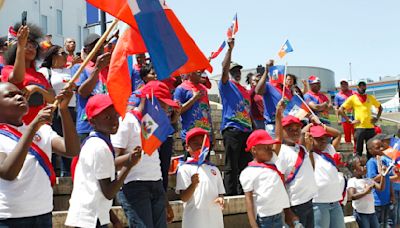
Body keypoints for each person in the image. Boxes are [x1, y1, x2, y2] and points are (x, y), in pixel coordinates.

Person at [0, 82, 80, 228]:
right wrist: (32, 128)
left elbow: (72, 150)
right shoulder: (10, 134)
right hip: (10, 216)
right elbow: (8, 172)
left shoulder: (42, 130)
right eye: (10, 96)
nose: (19, 97)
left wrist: (63, 110)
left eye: (20, 94)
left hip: (43, 212)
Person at [65, 94, 141, 228]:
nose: (114, 121)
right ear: (92, 122)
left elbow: (96, 188)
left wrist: (114, 219)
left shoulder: (94, 143)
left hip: (89, 215)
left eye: (116, 115)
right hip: (91, 219)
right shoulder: (100, 147)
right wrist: (128, 165)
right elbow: (108, 192)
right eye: (107, 117)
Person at [111, 81, 178, 228]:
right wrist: (130, 159)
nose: (165, 110)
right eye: (162, 104)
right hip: (134, 186)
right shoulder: (127, 121)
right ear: (148, 99)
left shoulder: (153, 124)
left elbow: (154, 161)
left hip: (156, 185)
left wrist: (164, 199)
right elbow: (111, 161)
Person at [2, 23, 55, 124]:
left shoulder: (40, 76)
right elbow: (17, 78)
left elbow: (52, 99)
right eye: (26, 44)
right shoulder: (7, 70)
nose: (31, 48)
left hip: (41, 126)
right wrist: (21, 46)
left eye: (33, 46)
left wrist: (36, 88)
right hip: (20, 126)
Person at [219, 38, 253, 195]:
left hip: (246, 130)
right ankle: (231, 194)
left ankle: (242, 193)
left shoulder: (244, 90)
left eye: (238, 70)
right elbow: (224, 69)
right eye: (234, 71)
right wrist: (230, 50)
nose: (237, 73)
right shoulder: (226, 85)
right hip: (232, 129)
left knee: (245, 165)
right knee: (231, 165)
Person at [39, 45, 77, 176]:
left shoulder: (70, 71)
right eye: (63, 53)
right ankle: (53, 171)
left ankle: (68, 173)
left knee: (68, 139)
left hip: (71, 109)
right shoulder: (45, 71)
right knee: (54, 139)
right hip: (54, 109)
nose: (66, 56)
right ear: (54, 56)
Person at [176, 128, 225, 228]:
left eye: (203, 143)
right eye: (195, 143)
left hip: (214, 219)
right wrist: (193, 184)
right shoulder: (184, 168)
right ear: (187, 147)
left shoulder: (214, 169)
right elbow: (184, 198)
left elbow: (220, 192)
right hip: (194, 221)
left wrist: (221, 198)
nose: (199, 146)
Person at [276, 115, 318, 228]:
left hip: (309, 200)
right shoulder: (282, 153)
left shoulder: (302, 149)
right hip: (295, 204)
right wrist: (287, 211)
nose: (295, 132)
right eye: (290, 130)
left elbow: (312, 168)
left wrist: (310, 151)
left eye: (297, 129)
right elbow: (280, 183)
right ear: (282, 131)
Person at [302, 124, 345, 228]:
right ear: (311, 139)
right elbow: (302, 134)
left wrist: (321, 125)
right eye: (319, 138)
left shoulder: (329, 149)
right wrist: (310, 125)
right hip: (319, 202)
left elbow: (338, 134)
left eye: (325, 138)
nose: (323, 141)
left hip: (335, 201)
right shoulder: (306, 153)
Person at [72, 33, 110, 140]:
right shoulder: (79, 68)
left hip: (106, 124)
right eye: (95, 45)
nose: (99, 48)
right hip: (87, 125)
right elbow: (82, 92)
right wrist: (97, 69)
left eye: (101, 45)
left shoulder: (107, 69)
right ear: (87, 49)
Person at [339, 81, 383, 158]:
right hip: (359, 128)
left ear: (366, 87)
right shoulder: (352, 98)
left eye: (364, 85)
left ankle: (370, 166)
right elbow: (341, 109)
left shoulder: (370, 97)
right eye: (360, 86)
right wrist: (349, 120)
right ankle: (358, 168)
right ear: (357, 87)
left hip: (370, 128)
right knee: (358, 151)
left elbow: (380, 107)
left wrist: (377, 118)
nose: (362, 87)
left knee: (371, 150)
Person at [173, 70, 214, 147]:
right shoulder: (181, 89)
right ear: (190, 72)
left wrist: (212, 135)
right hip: (190, 136)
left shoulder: (204, 89)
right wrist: (194, 98)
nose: (200, 74)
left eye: (201, 72)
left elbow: (207, 113)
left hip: (205, 136)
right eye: (198, 72)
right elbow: (177, 111)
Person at [255, 60, 293, 137]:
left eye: (282, 74)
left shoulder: (287, 90)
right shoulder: (268, 86)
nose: (280, 76)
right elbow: (258, 91)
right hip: (273, 126)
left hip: (287, 127)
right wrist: (266, 71)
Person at [347, 156, 385, 228]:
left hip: (372, 212)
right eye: (361, 165)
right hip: (361, 213)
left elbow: (381, 188)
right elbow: (351, 196)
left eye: (365, 165)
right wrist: (365, 192)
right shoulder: (352, 181)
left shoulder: (368, 179)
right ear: (354, 170)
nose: (365, 167)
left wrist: (383, 175)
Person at [366, 138, 392, 227]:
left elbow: (389, 179)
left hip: (386, 199)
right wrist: (383, 173)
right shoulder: (371, 162)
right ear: (370, 150)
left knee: (385, 223)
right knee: (378, 224)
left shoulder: (384, 160)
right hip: (377, 201)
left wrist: (391, 194)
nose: (381, 149)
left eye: (381, 146)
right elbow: (372, 179)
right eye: (378, 147)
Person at [334, 79, 355, 146]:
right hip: (344, 118)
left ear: (347, 85)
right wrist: (338, 119)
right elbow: (336, 108)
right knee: (347, 135)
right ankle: (349, 151)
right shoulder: (337, 95)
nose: (344, 85)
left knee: (356, 134)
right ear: (340, 85)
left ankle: (356, 150)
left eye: (345, 84)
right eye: (342, 84)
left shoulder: (353, 93)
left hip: (354, 117)